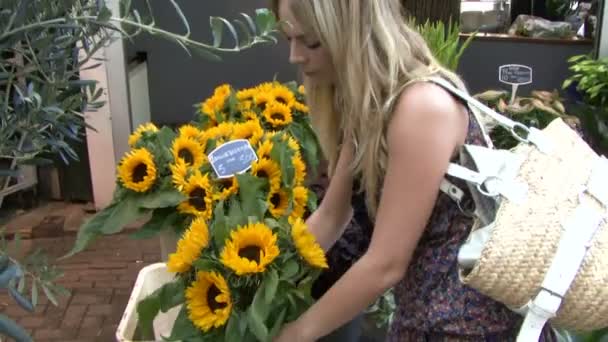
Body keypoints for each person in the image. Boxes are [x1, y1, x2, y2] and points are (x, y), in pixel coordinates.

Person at [270, 1, 558, 341]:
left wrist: (297, 333)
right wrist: (259, 278)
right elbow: (330, 218)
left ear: (349, 33)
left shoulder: (421, 106)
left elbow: (386, 263)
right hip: (423, 320)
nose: (295, 56)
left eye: (311, 41)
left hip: (467, 329)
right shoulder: (370, 103)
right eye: (289, 38)